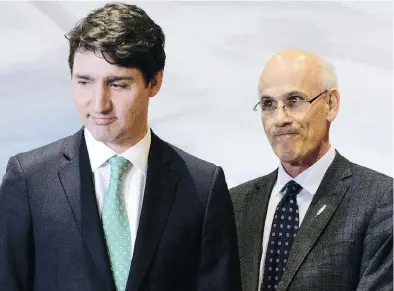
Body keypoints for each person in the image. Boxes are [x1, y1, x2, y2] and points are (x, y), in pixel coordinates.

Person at [0, 2, 242, 291]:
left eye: (117, 84)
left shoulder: (203, 187)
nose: (99, 103)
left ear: (154, 82)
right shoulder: (29, 180)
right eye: (84, 82)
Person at [230, 49, 393, 291]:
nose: (280, 118)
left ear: (331, 104)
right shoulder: (234, 204)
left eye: (294, 101)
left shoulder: (380, 199)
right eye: (268, 104)